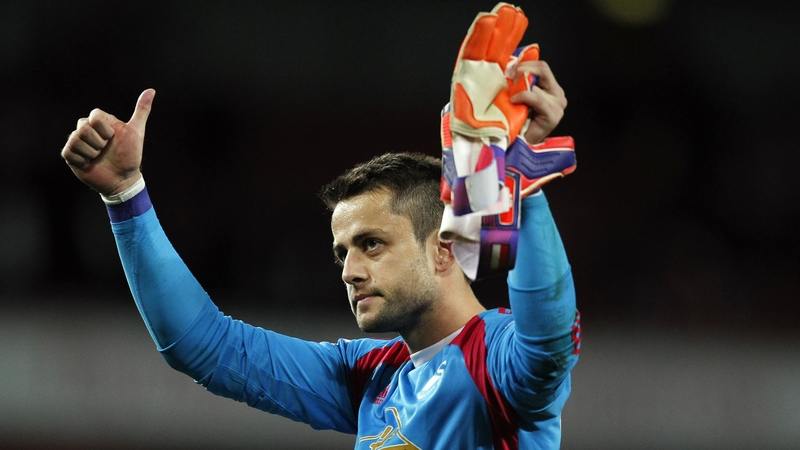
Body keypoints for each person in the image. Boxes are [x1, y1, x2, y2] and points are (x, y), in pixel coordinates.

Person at [60, 4, 579, 449]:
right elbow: (206, 346)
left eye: (372, 244)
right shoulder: (372, 374)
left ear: (444, 248)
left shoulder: (497, 359)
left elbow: (547, 343)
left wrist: (518, 185)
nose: (350, 271)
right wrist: (124, 193)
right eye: (342, 252)